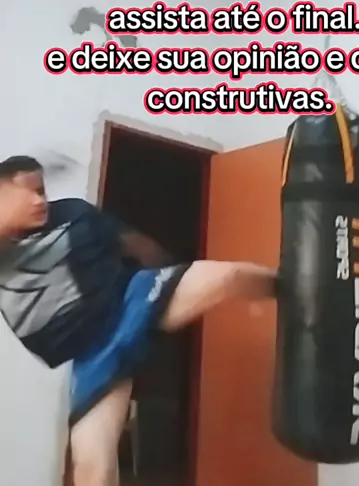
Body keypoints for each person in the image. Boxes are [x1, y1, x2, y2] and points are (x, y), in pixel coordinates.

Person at [0, 155, 277, 486]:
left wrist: (172, 272)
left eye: (41, 190)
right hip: (93, 353)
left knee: (229, 276)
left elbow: (135, 244)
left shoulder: (72, 213)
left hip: (131, 298)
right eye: (27, 193)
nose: (39, 200)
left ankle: (298, 289)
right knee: (91, 470)